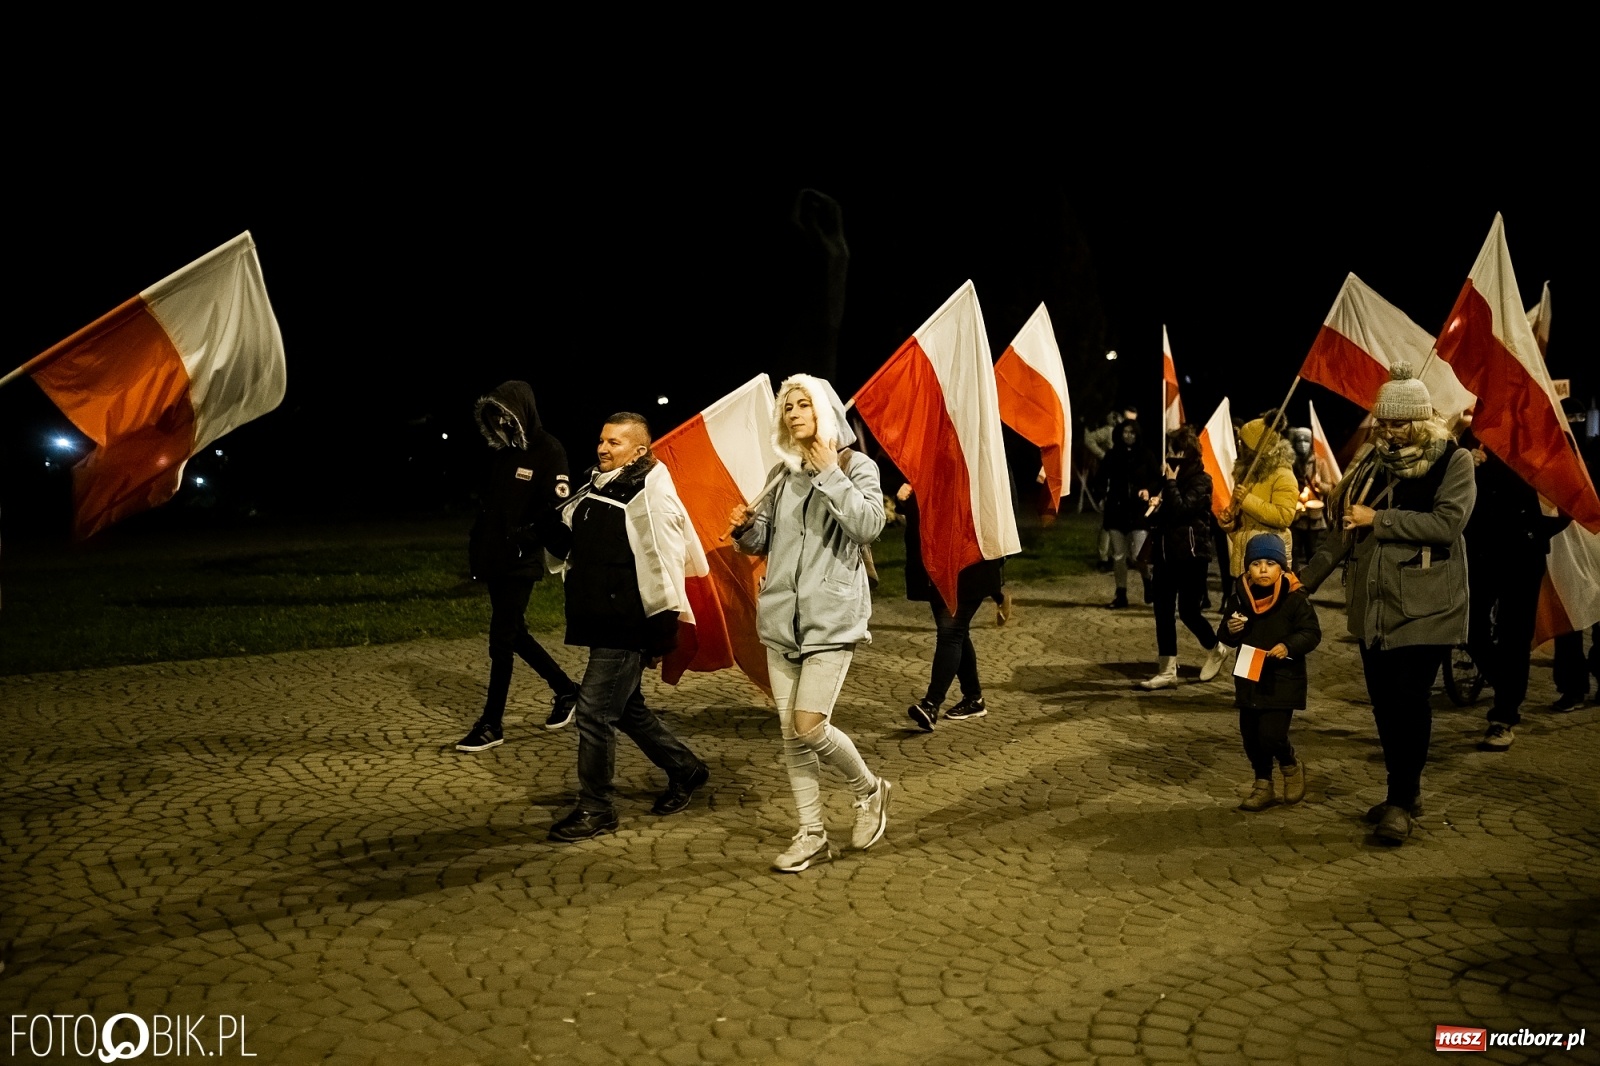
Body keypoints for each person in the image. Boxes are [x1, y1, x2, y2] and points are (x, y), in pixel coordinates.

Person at [1301, 362, 1475, 846]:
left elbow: (1447, 525)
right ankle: (1404, 789)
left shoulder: (1452, 462)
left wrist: (1382, 518)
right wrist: (1305, 581)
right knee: (1382, 704)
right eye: (1383, 422)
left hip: (1425, 605)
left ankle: (1401, 801)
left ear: (1420, 421)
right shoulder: (1372, 463)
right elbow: (1343, 531)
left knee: (1408, 701)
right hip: (1373, 604)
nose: (1388, 431)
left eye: (1397, 423)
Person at [731, 374, 892, 873]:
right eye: (788, 406)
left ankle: (869, 790)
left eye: (804, 404)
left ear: (822, 410)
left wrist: (829, 475)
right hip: (781, 620)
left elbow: (869, 525)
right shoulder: (783, 474)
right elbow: (766, 542)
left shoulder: (854, 464)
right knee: (789, 733)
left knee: (808, 725)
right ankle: (812, 833)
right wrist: (747, 528)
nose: (794, 413)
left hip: (831, 620)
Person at [543, 413, 710, 842]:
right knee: (628, 710)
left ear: (639, 451)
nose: (602, 448)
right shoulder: (598, 486)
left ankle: (596, 808)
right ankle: (685, 769)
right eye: (601, 440)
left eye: (614, 443)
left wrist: (662, 632)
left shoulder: (649, 494)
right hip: (604, 619)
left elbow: (665, 564)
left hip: (629, 623)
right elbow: (574, 543)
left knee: (595, 712)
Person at [457, 381, 582, 752]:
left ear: (522, 411)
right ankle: (566, 690)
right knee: (515, 634)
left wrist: (525, 539)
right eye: (494, 414)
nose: (500, 420)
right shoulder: (502, 455)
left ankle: (491, 723)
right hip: (495, 560)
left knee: (501, 641)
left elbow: (556, 508)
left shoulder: (548, 449)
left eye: (506, 413)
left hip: (521, 563)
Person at [1463, 440, 1568, 749]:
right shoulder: (1474, 437)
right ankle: (1506, 683)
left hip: (1523, 554)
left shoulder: (1540, 442)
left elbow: (1567, 496)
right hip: (1481, 552)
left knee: (1514, 635)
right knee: (1471, 631)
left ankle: (1504, 716)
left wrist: (1535, 531)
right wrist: (1465, 459)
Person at [1217, 534, 1321, 810]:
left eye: (1270, 563)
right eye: (1256, 563)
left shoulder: (1295, 599)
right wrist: (1230, 629)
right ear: (1247, 567)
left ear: (1282, 568)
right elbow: (1224, 635)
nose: (1263, 569)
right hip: (1249, 673)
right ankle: (1262, 783)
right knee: (1250, 735)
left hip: (1282, 678)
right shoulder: (1240, 597)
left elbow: (1311, 632)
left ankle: (1289, 764)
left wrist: (1288, 646)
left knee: (1271, 735)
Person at [899, 482, 1003, 728]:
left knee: (950, 633)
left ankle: (931, 704)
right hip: (940, 566)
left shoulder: (976, 467)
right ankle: (974, 698)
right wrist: (906, 499)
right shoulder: (931, 470)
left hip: (969, 563)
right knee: (957, 633)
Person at [1138, 426, 1227, 689]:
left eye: (1174, 451)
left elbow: (1183, 509)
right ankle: (1166, 671)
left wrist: (1171, 484)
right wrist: (1156, 501)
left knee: (1188, 611)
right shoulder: (1170, 481)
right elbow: (1169, 512)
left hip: (1191, 556)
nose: (1169, 456)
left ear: (1185, 453)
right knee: (1162, 610)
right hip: (1166, 555)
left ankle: (1216, 647)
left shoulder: (1202, 480)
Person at [1220, 415, 1300, 577]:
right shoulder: (1247, 474)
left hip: (1268, 564)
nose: (1239, 446)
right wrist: (1229, 523)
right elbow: (1246, 526)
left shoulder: (1283, 475)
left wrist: (1247, 500)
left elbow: (1284, 516)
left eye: (1243, 443)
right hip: (1244, 562)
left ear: (1255, 448)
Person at [1099, 418, 1156, 608]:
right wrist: (1101, 496)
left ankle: (1148, 581)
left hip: (1139, 512)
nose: (1128, 436)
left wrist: (1148, 490)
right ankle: (1121, 593)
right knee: (1118, 555)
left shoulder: (1146, 455)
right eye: (1125, 432)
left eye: (1132, 432)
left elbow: (1157, 479)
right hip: (1117, 510)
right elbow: (1100, 478)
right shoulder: (1112, 455)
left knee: (1140, 554)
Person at [1287, 426, 1330, 567]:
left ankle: (1310, 581)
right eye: (1299, 441)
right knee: (1293, 551)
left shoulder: (1319, 463)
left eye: (1305, 440)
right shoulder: (1290, 463)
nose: (1302, 444)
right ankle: (1293, 580)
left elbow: (1329, 488)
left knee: (1312, 551)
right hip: (1296, 514)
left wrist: (1319, 485)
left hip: (1314, 516)